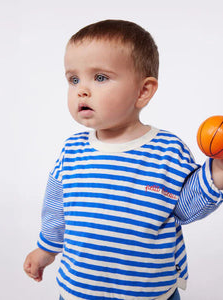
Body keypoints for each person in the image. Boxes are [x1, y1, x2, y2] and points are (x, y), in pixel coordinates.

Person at [23, 20, 223, 300]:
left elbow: (185, 210)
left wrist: (217, 171)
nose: (82, 90)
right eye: (74, 79)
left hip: (149, 291)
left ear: (143, 91)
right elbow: (57, 207)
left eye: (100, 77)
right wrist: (46, 249)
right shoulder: (72, 151)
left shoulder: (167, 150)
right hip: (81, 288)